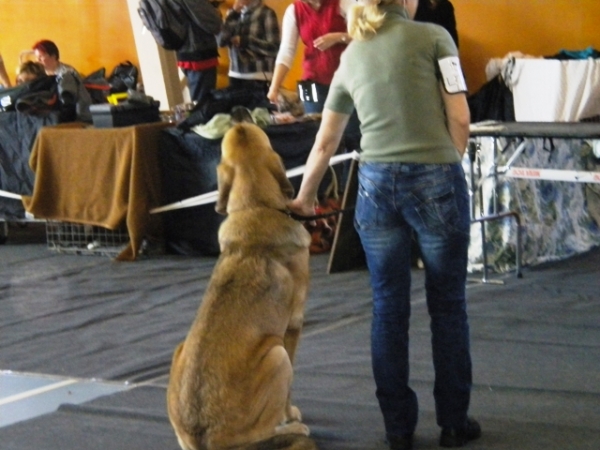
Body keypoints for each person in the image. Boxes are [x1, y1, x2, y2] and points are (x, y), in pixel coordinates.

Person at [287, 1, 479, 449]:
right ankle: (453, 423)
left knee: (387, 308)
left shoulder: (351, 56)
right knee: (448, 305)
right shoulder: (435, 38)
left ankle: (398, 428)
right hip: (437, 178)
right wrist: (447, 164)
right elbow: (462, 117)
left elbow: (326, 141)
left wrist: (305, 198)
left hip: (375, 187)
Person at [266, 0, 353, 114]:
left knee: (350, 128)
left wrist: (338, 37)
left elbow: (363, 36)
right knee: (313, 125)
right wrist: (274, 87)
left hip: (346, 81)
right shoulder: (293, 10)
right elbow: (286, 51)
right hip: (311, 81)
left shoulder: (343, 3)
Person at [217, 0, 280, 94]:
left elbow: (274, 48)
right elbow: (221, 41)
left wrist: (245, 41)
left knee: (259, 109)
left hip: (258, 76)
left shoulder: (266, 13)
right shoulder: (233, 13)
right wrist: (233, 14)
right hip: (235, 74)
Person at [32, 39, 92, 122]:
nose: (37, 61)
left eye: (41, 57)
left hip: (70, 114)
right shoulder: (39, 73)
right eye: (36, 57)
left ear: (53, 56)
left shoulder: (67, 73)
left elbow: (68, 100)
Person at [176, 0, 223, 104]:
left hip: (186, 52)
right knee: (203, 105)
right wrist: (215, 12)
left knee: (199, 101)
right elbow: (214, 23)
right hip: (199, 55)